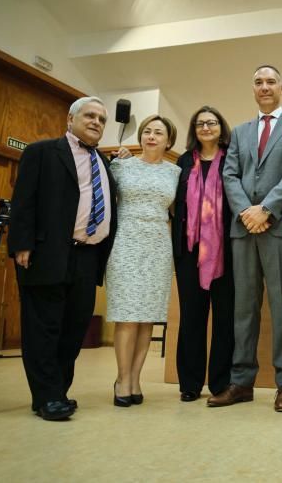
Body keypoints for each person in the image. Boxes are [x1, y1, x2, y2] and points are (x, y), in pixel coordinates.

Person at [212, 65, 282, 411]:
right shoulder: (240, 132)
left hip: (280, 228)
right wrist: (247, 212)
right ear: (253, 89)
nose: (265, 86)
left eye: (271, 81)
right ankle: (241, 382)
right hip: (244, 230)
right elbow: (230, 174)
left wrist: (266, 209)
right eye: (258, 82)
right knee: (244, 308)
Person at [8, 96, 117, 421]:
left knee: (73, 329)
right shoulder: (41, 152)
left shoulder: (105, 164)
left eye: (101, 119)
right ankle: (47, 396)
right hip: (47, 253)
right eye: (90, 115)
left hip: (88, 257)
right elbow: (23, 200)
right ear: (70, 119)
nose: (96, 122)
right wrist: (21, 244)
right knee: (44, 328)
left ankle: (56, 390)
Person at [105, 114, 180, 407]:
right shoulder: (120, 166)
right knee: (127, 315)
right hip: (125, 242)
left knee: (147, 316)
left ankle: (136, 378)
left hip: (158, 245)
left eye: (158, 133)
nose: (151, 136)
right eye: (147, 131)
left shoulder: (175, 173)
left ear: (168, 140)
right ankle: (122, 379)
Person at [172, 106, 235, 403]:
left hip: (227, 251)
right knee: (192, 318)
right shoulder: (184, 162)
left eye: (212, 123)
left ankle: (221, 382)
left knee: (225, 319)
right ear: (194, 129)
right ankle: (189, 383)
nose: (206, 128)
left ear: (221, 127)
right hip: (189, 251)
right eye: (200, 123)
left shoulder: (233, 159)